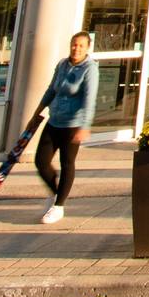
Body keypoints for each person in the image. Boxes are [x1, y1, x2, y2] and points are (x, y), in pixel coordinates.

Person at [35, 31, 98, 224]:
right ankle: (55, 193)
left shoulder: (90, 69)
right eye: (74, 44)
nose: (76, 48)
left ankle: (58, 206)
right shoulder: (62, 64)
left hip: (73, 124)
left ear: (87, 48)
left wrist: (85, 126)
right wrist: (37, 113)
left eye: (81, 45)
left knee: (67, 163)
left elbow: (89, 100)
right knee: (41, 162)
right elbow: (51, 90)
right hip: (54, 120)